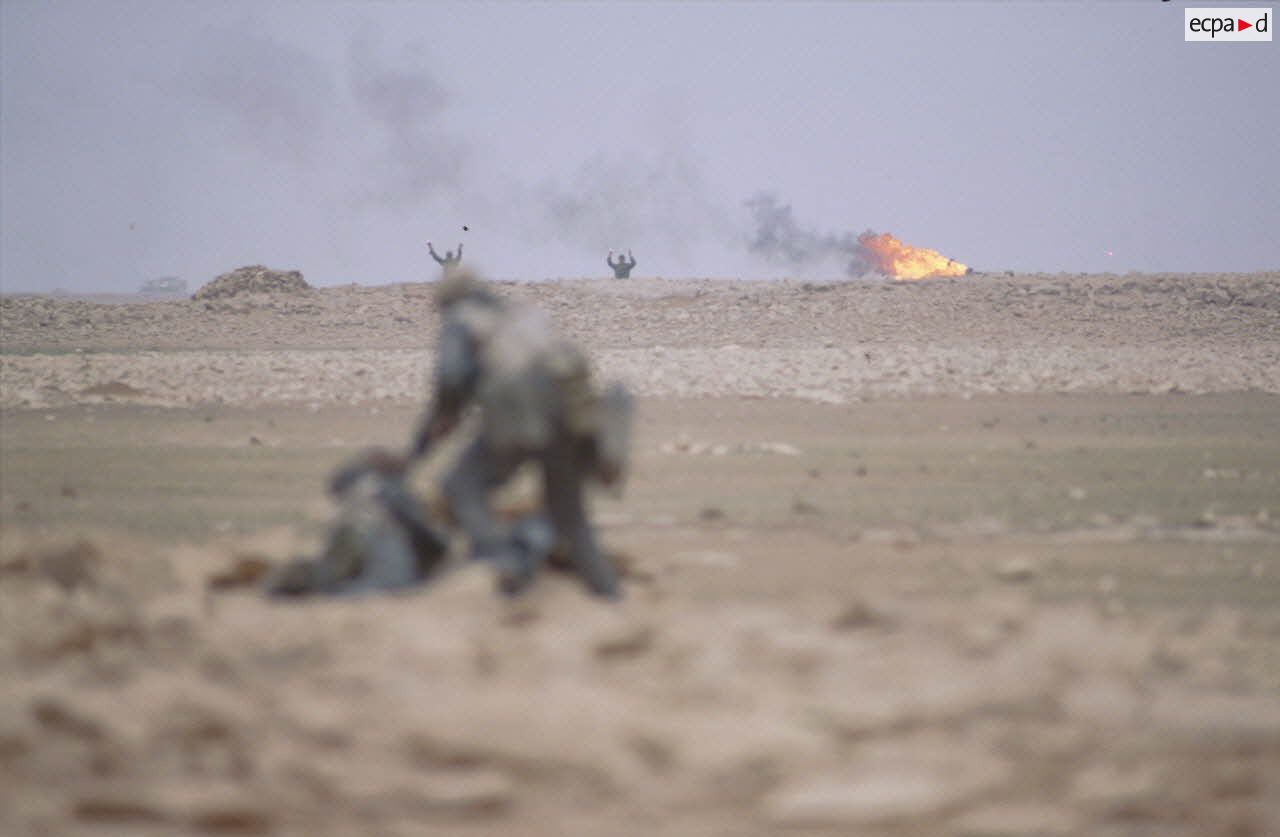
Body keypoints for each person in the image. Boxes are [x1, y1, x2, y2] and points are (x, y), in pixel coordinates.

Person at [405, 270, 632, 598]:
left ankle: (507, 563)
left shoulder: (463, 319)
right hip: (571, 416)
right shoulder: (523, 315)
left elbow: (451, 380)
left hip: (518, 414)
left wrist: (424, 442)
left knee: (461, 488)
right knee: (569, 515)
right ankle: (610, 596)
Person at [265, 449, 450, 596]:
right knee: (389, 584)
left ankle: (295, 585)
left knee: (330, 574)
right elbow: (422, 531)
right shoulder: (392, 490)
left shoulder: (353, 484)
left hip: (344, 530)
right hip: (372, 534)